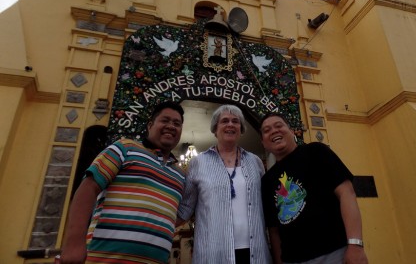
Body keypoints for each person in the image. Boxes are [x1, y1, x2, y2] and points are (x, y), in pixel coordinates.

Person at [60, 101, 186, 264]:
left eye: (177, 123)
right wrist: (74, 243)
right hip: (102, 258)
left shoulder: (180, 174)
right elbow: (88, 188)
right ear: (150, 125)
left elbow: (173, 216)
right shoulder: (124, 148)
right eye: (165, 120)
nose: (171, 126)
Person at [260, 113, 369, 264]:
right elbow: (274, 230)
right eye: (266, 130)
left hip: (336, 253)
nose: (273, 131)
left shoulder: (317, 152)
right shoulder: (267, 181)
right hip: (294, 260)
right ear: (263, 143)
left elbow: (347, 194)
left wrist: (355, 245)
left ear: (292, 131)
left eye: (279, 126)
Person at [177, 104, 272, 264]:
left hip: (256, 253)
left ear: (240, 129)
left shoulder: (255, 162)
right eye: (225, 121)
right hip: (213, 253)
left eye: (235, 121)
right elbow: (186, 208)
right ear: (215, 129)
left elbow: (266, 203)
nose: (230, 124)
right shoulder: (198, 163)